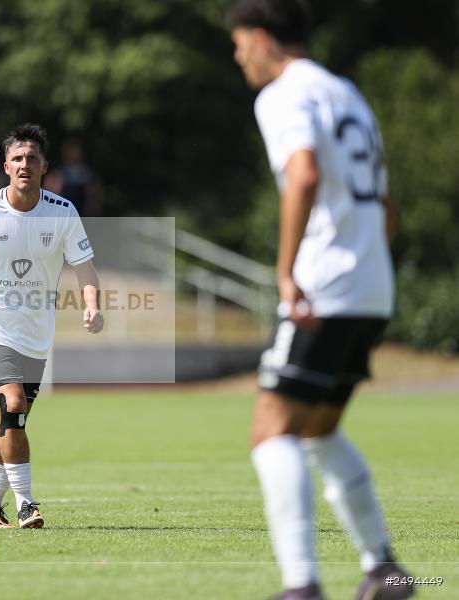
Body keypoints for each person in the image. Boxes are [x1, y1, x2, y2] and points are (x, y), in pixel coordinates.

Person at [227, 2, 410, 599]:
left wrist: (287, 273)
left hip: (323, 287)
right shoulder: (346, 93)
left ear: (260, 39)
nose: (237, 58)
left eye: (239, 45)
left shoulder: (282, 95)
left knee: (270, 430)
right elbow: (386, 210)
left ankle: (301, 587)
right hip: (370, 287)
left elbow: (302, 175)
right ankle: (385, 571)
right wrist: (363, 268)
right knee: (319, 430)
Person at [0, 123, 103, 529]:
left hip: (34, 335)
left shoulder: (62, 212)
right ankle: (28, 504)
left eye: (32, 158)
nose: (24, 164)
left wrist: (92, 305)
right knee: (13, 403)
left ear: (44, 166)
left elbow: (85, 267)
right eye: (17, 158)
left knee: (11, 419)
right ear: (5, 166)